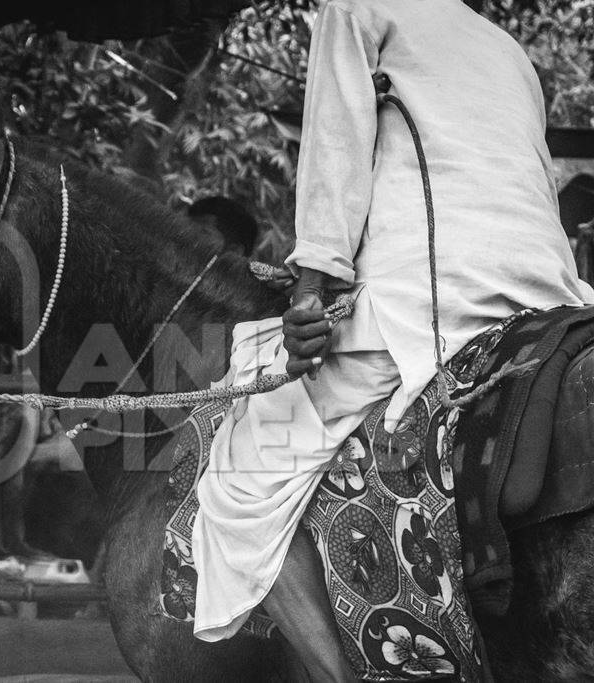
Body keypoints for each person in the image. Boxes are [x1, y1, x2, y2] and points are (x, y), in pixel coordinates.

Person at [191, 0, 594, 679]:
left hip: (432, 298)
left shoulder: (358, 8)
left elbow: (335, 149)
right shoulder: (506, 48)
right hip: (549, 295)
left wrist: (312, 290)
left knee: (238, 466)